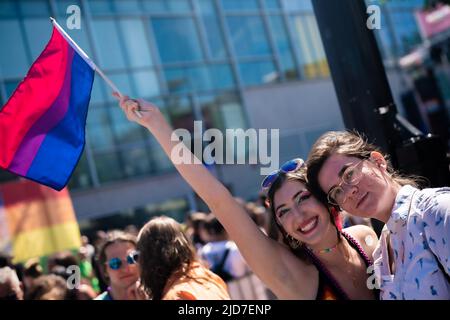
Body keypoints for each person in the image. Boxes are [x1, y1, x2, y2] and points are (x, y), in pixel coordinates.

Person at [115, 94, 378, 300]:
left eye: (302, 198)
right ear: (282, 227)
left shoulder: (366, 240)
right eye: (283, 211)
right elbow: (219, 200)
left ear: (323, 197)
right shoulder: (291, 274)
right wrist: (157, 123)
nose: (298, 216)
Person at [306, 130, 450, 299]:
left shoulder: (435, 211)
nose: (349, 191)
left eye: (350, 174)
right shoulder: (380, 257)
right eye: (337, 192)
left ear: (377, 161)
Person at [134, 216, 230, 300]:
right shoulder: (209, 278)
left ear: (148, 258)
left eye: (137, 256)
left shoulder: (176, 296)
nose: (137, 263)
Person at [94, 231, 140, 300]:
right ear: (105, 270)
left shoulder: (159, 295)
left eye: (132, 258)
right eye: (115, 263)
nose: (126, 268)